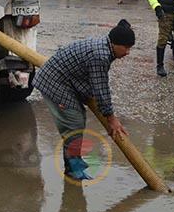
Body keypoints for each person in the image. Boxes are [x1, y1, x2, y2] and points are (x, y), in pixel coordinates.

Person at [33, 20, 135, 181]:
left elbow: (94, 83)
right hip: (54, 82)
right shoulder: (100, 55)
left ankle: (76, 159)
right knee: (74, 122)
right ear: (115, 44)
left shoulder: (105, 46)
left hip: (66, 79)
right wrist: (111, 118)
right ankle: (72, 169)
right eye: (127, 48)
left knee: (79, 116)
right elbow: (101, 88)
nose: (128, 52)